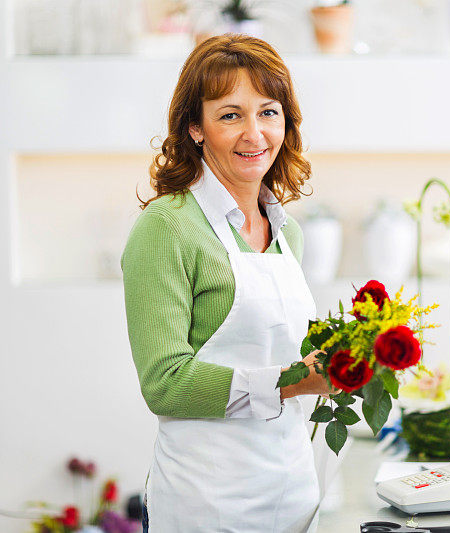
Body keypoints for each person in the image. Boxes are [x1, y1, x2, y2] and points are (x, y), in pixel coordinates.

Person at [121, 34, 335, 532]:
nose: (254, 134)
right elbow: (165, 384)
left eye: (268, 112)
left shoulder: (289, 233)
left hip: (293, 493)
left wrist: (349, 358)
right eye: (230, 115)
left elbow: (285, 350)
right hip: (207, 505)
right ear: (195, 127)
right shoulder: (168, 227)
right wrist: (292, 382)